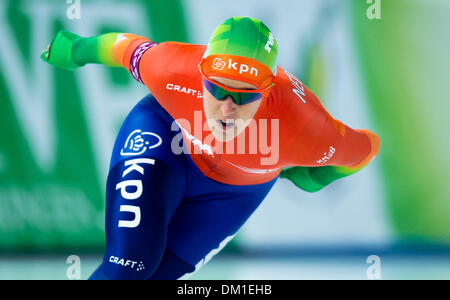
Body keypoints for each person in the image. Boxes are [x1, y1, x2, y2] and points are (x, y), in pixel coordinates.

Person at [41, 16, 380, 280]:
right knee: (130, 266)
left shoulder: (307, 129)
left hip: (232, 194)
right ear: (200, 75)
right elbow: (123, 47)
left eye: (245, 95)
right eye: (216, 89)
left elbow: (365, 147)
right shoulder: (172, 67)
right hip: (165, 139)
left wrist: (316, 179)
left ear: (267, 92)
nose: (227, 107)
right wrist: (74, 50)